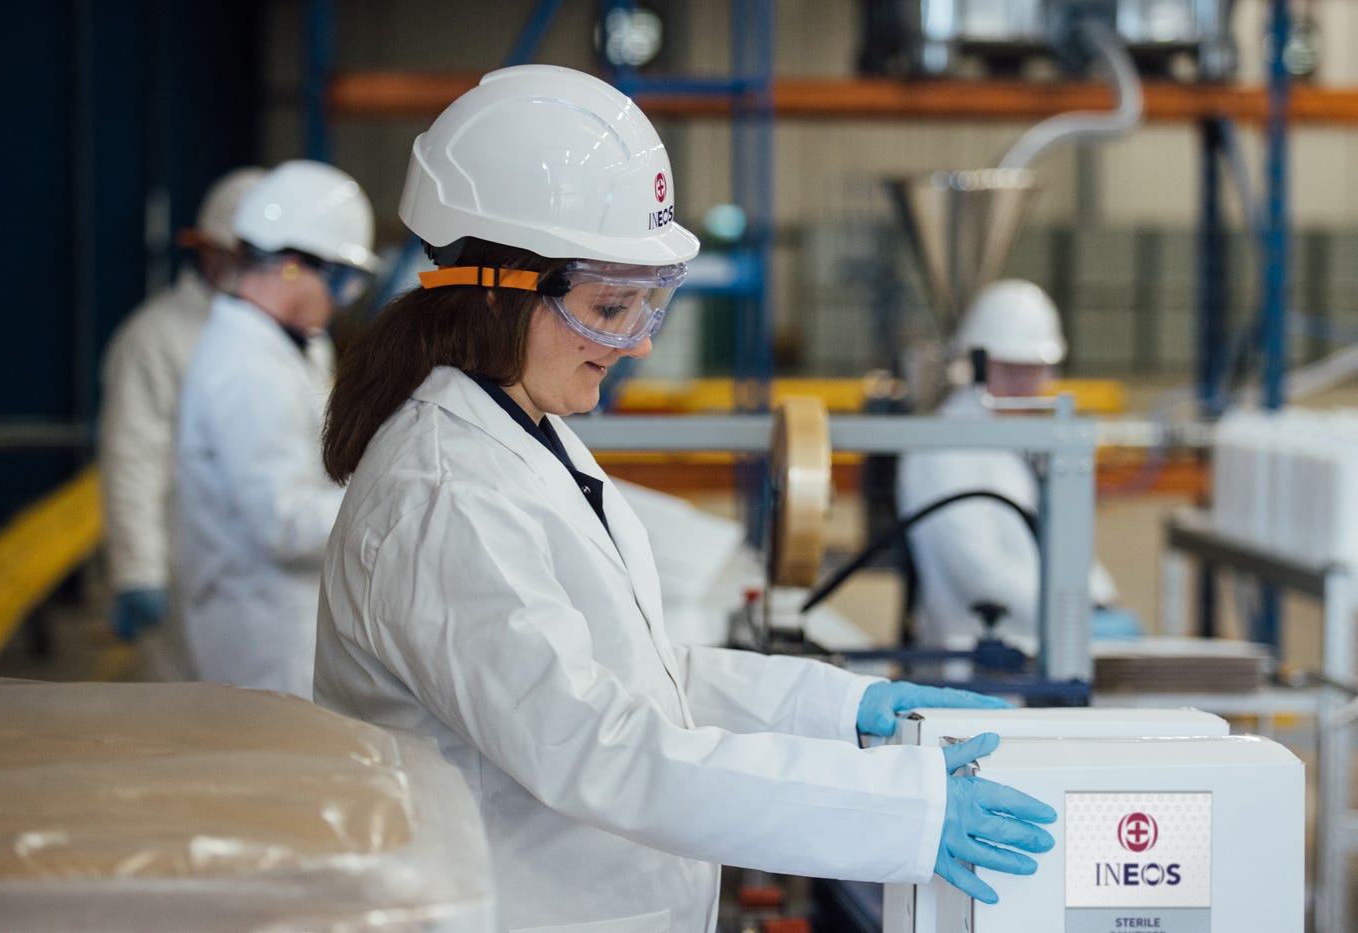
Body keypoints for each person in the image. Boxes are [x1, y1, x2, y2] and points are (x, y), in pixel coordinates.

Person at [314, 65, 1055, 932]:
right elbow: (601, 747)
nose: (632, 343)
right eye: (610, 307)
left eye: (647, 306)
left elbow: (643, 680)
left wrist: (839, 710)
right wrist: (898, 810)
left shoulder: (521, 434)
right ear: (495, 291)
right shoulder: (444, 494)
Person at [173, 159, 377, 699]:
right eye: (341, 281)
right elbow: (282, 525)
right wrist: (387, 495)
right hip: (266, 635)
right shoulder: (244, 370)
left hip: (295, 617)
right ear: (290, 265)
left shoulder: (293, 345)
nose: (339, 301)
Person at [896, 278, 1142, 661]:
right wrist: (1075, 616)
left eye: (1036, 370)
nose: (1026, 384)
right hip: (977, 656)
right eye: (1011, 369)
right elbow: (977, 571)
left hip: (1033, 646)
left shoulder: (1012, 440)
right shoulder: (945, 446)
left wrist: (1100, 595)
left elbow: (1054, 542)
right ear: (975, 364)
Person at [99, 166, 265, 677]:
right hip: (189, 572)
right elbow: (133, 457)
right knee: (192, 728)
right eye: (242, 256)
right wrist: (138, 570)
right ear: (207, 252)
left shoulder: (295, 338)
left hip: (276, 574)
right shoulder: (155, 337)